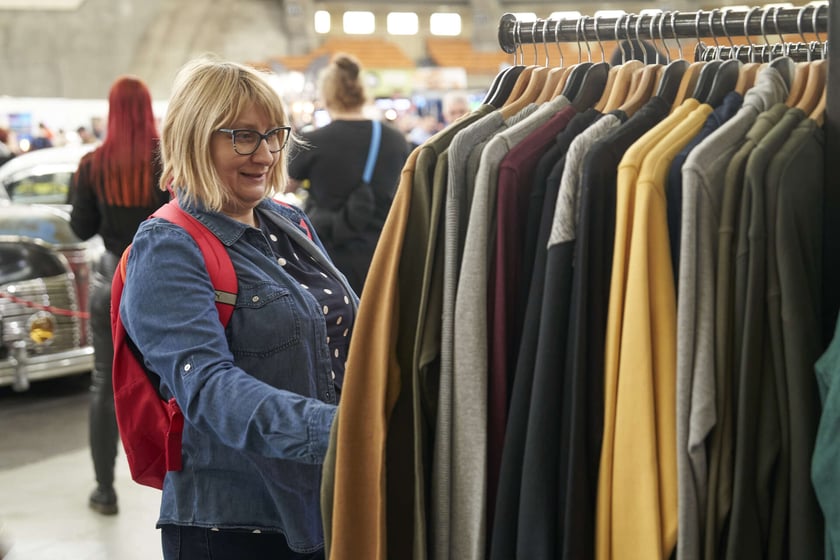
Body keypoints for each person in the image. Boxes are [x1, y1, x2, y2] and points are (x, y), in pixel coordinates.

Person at [119, 55, 352, 559]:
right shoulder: (167, 247)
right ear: (195, 137)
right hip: (235, 525)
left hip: (325, 503)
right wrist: (341, 429)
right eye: (243, 136)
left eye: (273, 134)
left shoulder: (289, 221)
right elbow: (206, 387)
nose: (265, 153)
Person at [67, 76, 169, 516]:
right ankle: (180, 483)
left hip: (112, 284)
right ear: (148, 109)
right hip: (165, 282)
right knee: (179, 382)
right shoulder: (165, 160)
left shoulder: (92, 164)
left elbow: (81, 228)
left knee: (104, 387)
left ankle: (105, 490)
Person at [287, 52, 409, 295]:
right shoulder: (395, 139)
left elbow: (285, 186)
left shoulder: (311, 141)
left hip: (327, 253)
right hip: (384, 251)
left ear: (327, 94)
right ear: (363, 91)